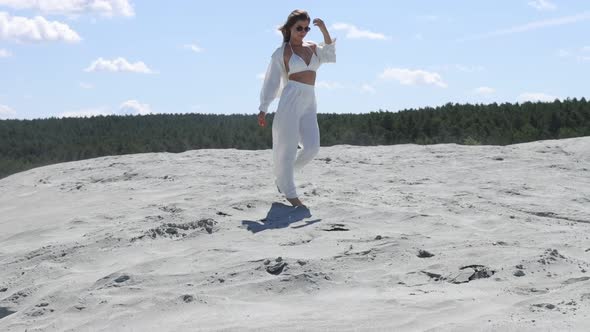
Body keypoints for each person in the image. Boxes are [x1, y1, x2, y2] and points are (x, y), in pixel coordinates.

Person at [257, 9, 336, 208]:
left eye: (306, 28)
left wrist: (324, 29)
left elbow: (329, 54)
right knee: (288, 148)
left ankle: (283, 179)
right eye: (299, 28)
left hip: (310, 100)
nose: (303, 31)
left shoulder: (312, 47)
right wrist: (263, 107)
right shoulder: (282, 52)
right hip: (291, 99)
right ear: (289, 29)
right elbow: (271, 81)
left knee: (312, 147)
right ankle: (291, 195)